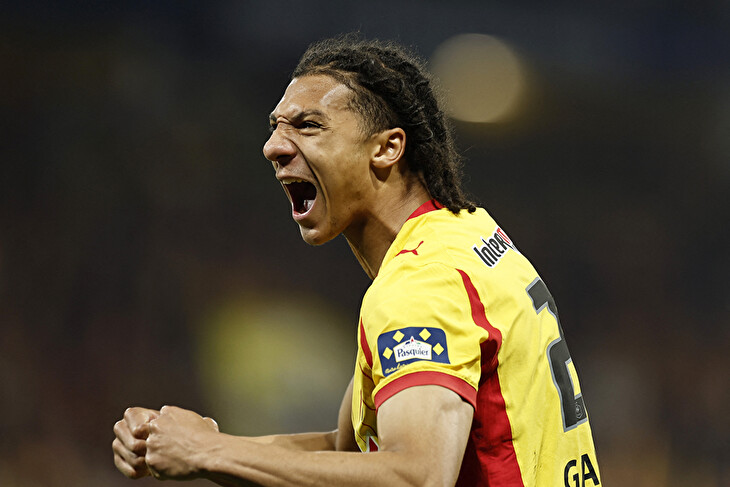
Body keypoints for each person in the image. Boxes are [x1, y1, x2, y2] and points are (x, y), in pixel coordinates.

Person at [112, 35, 601, 487]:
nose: (273, 147)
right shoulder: (466, 234)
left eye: (308, 126)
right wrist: (201, 445)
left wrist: (210, 452)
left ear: (387, 148)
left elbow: (416, 475)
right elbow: (347, 449)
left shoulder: (420, 284)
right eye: (276, 127)